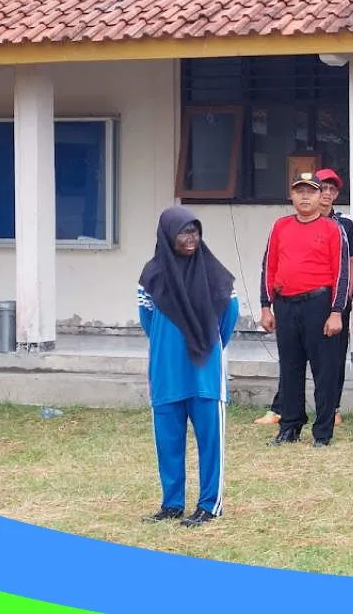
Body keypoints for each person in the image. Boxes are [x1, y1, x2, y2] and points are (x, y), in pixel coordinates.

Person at [137, 206, 240, 528]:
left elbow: (229, 319)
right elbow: (148, 321)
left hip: (204, 375)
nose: (190, 237)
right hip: (166, 374)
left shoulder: (216, 275)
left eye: (195, 231)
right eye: (183, 231)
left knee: (211, 444)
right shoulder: (151, 277)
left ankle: (209, 504)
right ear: (167, 235)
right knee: (168, 443)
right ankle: (172, 503)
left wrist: (207, 347)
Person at [254, 168, 353, 428]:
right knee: (290, 368)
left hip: (319, 305)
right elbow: (269, 266)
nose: (305, 197)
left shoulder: (334, 229)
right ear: (291, 195)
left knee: (325, 371)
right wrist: (266, 306)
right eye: (299, 191)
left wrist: (337, 311)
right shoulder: (281, 226)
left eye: (311, 191)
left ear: (320, 194)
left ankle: (323, 430)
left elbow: (342, 272)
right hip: (286, 304)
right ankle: (290, 426)